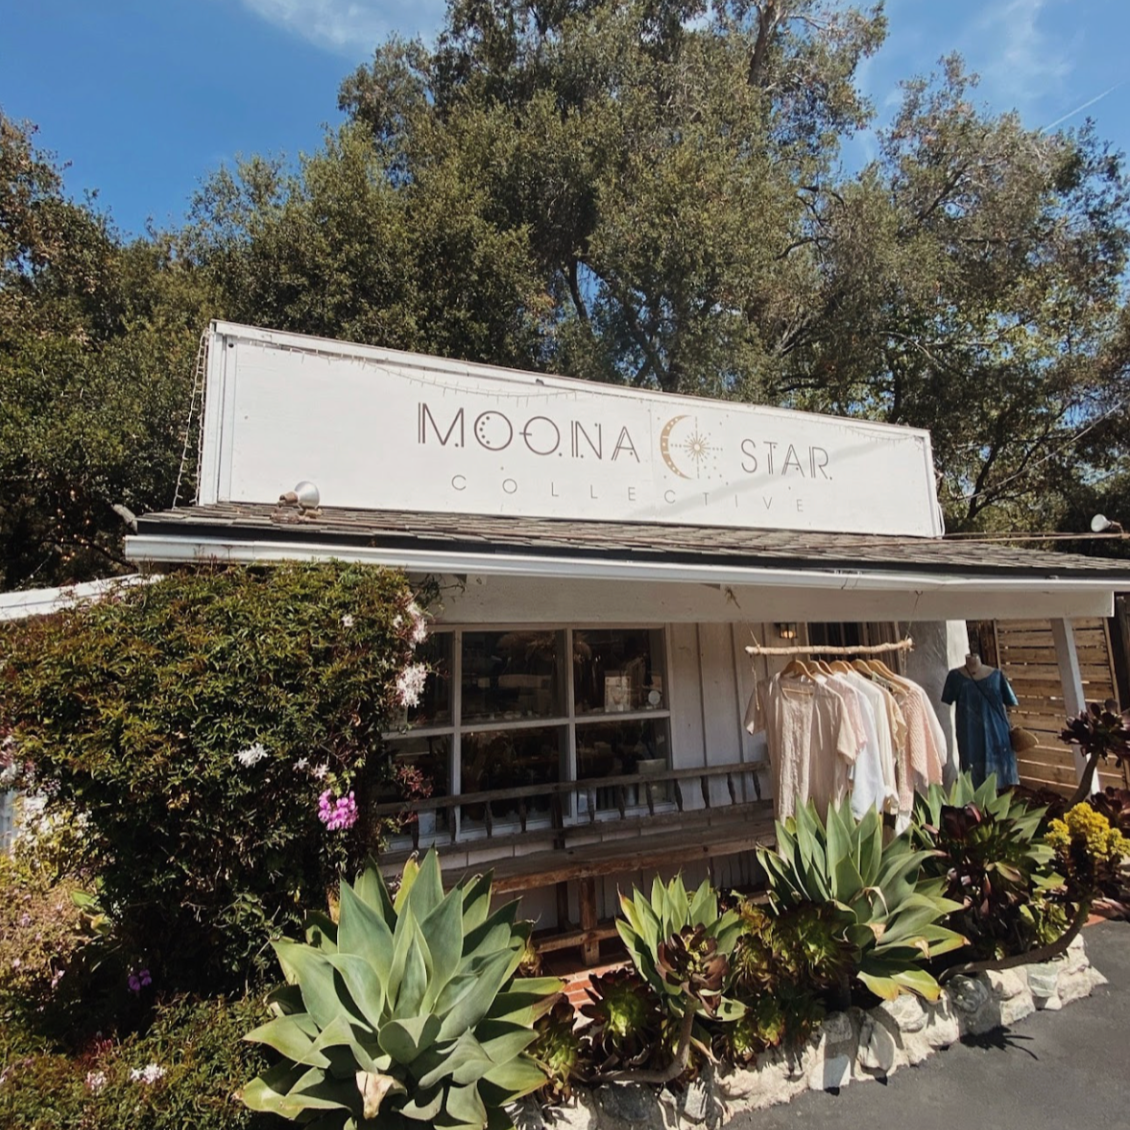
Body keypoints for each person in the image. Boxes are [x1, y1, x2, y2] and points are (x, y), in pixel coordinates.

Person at [941, 653, 1019, 787]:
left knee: (1002, 780)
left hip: (997, 735)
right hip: (969, 738)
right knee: (973, 779)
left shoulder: (996, 676)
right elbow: (947, 698)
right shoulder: (954, 677)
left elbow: (1010, 701)